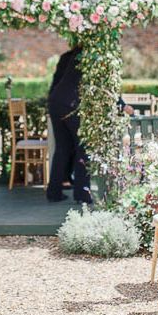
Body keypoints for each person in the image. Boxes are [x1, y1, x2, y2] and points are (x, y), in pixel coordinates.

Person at [45, 46, 91, 204]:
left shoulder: (68, 56)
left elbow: (56, 81)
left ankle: (54, 192)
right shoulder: (91, 54)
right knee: (83, 147)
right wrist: (122, 104)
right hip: (70, 105)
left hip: (55, 102)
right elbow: (103, 85)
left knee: (62, 148)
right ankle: (82, 194)